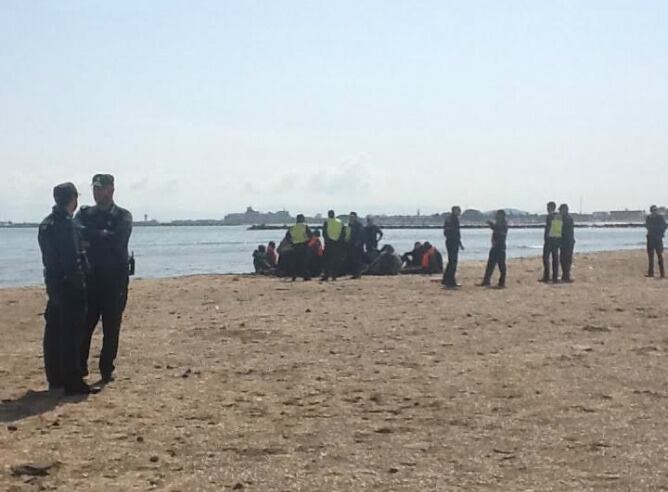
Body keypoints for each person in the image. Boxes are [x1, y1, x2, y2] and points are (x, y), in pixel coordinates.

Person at [76, 174, 133, 383]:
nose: (97, 192)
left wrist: (92, 237)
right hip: (90, 278)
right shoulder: (84, 214)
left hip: (115, 280)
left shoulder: (123, 215)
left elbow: (118, 240)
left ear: (111, 190)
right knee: (85, 325)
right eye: (95, 188)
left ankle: (106, 368)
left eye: (101, 188)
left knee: (111, 327)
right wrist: (101, 235)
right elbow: (77, 233)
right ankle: (79, 368)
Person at [38, 182, 91, 395]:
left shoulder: (46, 223)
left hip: (53, 282)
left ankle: (55, 377)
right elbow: (71, 258)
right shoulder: (66, 224)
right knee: (71, 333)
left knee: (54, 332)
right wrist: (80, 283)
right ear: (73, 200)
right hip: (69, 284)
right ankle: (72, 380)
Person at [479, 210, 508, 288]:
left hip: (500, 247)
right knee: (490, 264)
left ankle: (502, 282)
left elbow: (499, 230)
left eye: (499, 215)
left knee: (501, 265)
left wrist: (491, 224)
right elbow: (495, 229)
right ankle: (486, 281)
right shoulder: (499, 223)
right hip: (495, 246)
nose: (497, 216)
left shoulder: (503, 224)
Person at [285, 214, 313, 281]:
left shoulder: (292, 227)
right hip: (304, 245)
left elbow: (287, 237)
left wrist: (291, 243)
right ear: (302, 219)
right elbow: (310, 235)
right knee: (304, 262)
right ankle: (306, 276)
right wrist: (308, 242)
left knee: (295, 262)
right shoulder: (305, 226)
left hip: (295, 245)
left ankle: (294, 276)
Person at [442, 206, 464, 288]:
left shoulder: (452, 219)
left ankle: (447, 280)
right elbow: (451, 232)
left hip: (452, 241)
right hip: (452, 242)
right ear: (454, 211)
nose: (459, 212)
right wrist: (455, 240)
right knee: (453, 262)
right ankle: (450, 281)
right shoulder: (452, 219)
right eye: (458, 211)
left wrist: (459, 243)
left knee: (452, 261)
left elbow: (456, 233)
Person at [321, 210, 345, 281]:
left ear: (328, 215)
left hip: (329, 243)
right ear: (334, 215)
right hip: (337, 243)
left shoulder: (326, 222)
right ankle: (334, 276)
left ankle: (326, 275)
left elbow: (324, 233)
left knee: (326, 260)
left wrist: (327, 240)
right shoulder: (340, 222)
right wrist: (339, 241)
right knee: (335, 260)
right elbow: (343, 233)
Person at [541, 201, 561, 283]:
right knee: (555, 259)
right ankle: (555, 277)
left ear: (550, 207)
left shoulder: (550, 216)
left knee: (546, 258)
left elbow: (549, 228)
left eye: (548, 207)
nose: (547, 209)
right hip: (556, 239)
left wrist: (547, 238)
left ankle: (546, 276)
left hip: (549, 240)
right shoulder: (558, 216)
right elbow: (559, 228)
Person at [645, 205, 667, 278]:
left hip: (658, 238)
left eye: (656, 210)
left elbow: (664, 226)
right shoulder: (648, 218)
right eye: (653, 210)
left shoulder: (660, 217)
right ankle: (651, 273)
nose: (654, 211)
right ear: (651, 211)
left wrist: (660, 233)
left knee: (659, 255)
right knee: (650, 256)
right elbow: (647, 226)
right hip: (650, 238)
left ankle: (662, 274)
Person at [346, 211, 365, 279]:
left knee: (358, 259)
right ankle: (354, 273)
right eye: (350, 217)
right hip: (351, 245)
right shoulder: (350, 224)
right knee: (353, 259)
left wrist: (358, 242)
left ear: (355, 217)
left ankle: (358, 274)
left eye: (352, 217)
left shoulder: (359, 225)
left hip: (358, 245)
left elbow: (361, 235)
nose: (351, 218)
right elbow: (348, 233)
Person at [559, 204, 575, 282]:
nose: (560, 212)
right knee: (563, 259)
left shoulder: (568, 218)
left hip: (568, 241)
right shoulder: (565, 218)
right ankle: (565, 275)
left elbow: (565, 231)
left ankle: (566, 275)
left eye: (561, 210)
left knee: (567, 259)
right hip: (565, 241)